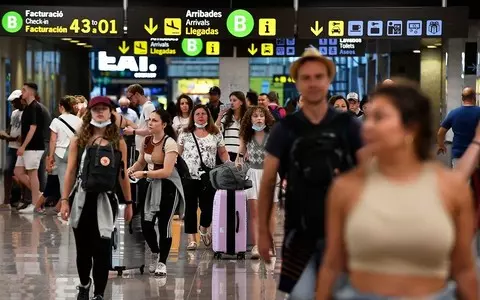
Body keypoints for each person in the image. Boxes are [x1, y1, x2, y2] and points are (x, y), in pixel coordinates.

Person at [316, 83, 478, 300]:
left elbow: (464, 270)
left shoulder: (451, 188)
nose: (367, 126)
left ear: (411, 127)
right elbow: (332, 265)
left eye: (379, 118)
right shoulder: (346, 188)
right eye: (369, 117)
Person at [257, 48, 362, 299]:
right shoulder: (286, 128)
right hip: (299, 233)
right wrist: (262, 232)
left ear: (328, 80)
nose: (313, 83)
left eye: (319, 76)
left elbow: (366, 176)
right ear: (297, 83)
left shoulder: (348, 125)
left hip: (343, 233)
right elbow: (269, 179)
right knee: (301, 295)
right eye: (306, 77)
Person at [60, 96, 132, 300]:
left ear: (111, 112)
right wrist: (64, 200)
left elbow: (123, 174)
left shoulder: (118, 142)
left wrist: (128, 202)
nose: (100, 112)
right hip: (81, 200)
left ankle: (99, 293)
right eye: (96, 109)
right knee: (83, 250)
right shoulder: (79, 139)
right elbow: (71, 170)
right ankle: (84, 284)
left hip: (106, 201)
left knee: (102, 249)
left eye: (104, 109)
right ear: (89, 112)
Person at [128, 109, 185, 277]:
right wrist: (129, 170)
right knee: (146, 224)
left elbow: (167, 172)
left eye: (154, 120)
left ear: (164, 124)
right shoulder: (146, 141)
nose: (150, 123)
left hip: (169, 187)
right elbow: (140, 162)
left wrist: (144, 174)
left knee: (164, 225)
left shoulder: (170, 143)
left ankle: (162, 262)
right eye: (149, 120)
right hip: (151, 185)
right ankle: (154, 251)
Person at [178, 105, 230, 250]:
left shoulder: (215, 132)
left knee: (207, 207)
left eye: (203, 114)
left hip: (209, 176)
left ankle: (204, 225)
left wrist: (230, 165)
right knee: (190, 208)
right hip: (188, 176)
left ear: (208, 116)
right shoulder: (185, 132)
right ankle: (191, 238)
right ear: (192, 117)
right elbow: (178, 153)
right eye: (197, 114)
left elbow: (223, 152)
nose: (200, 116)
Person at [236, 105, 278, 259]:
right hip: (252, 174)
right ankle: (256, 245)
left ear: (266, 118)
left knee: (270, 213)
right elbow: (240, 153)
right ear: (250, 119)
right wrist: (238, 163)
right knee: (254, 214)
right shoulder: (246, 135)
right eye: (255, 116)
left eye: (261, 115)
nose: (259, 118)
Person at [14, 83, 46, 213]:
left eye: (24, 90)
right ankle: (39, 196)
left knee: (33, 174)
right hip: (28, 147)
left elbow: (33, 128)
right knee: (18, 172)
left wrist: (23, 146)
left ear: (31, 92)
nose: (22, 92)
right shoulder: (27, 107)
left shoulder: (35, 107)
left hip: (34, 147)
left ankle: (35, 204)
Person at [437, 87, 480, 168]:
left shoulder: (454, 113)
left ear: (462, 98)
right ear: (474, 97)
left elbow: (440, 133)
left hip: (458, 155)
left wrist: (441, 145)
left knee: (460, 180)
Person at [0, 90, 24, 210]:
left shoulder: (27, 112)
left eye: (15, 102)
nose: (13, 105)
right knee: (7, 170)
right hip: (12, 147)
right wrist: (6, 135)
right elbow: (10, 129)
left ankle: (23, 198)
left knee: (21, 174)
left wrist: (11, 137)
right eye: (12, 103)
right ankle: (6, 201)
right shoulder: (14, 113)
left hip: (21, 148)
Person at [217, 91, 248, 161]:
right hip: (227, 152)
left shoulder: (247, 117)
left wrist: (247, 151)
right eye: (230, 100)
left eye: (234, 100)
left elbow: (250, 137)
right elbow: (217, 129)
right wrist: (220, 114)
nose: (231, 103)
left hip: (240, 153)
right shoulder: (226, 116)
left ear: (241, 102)